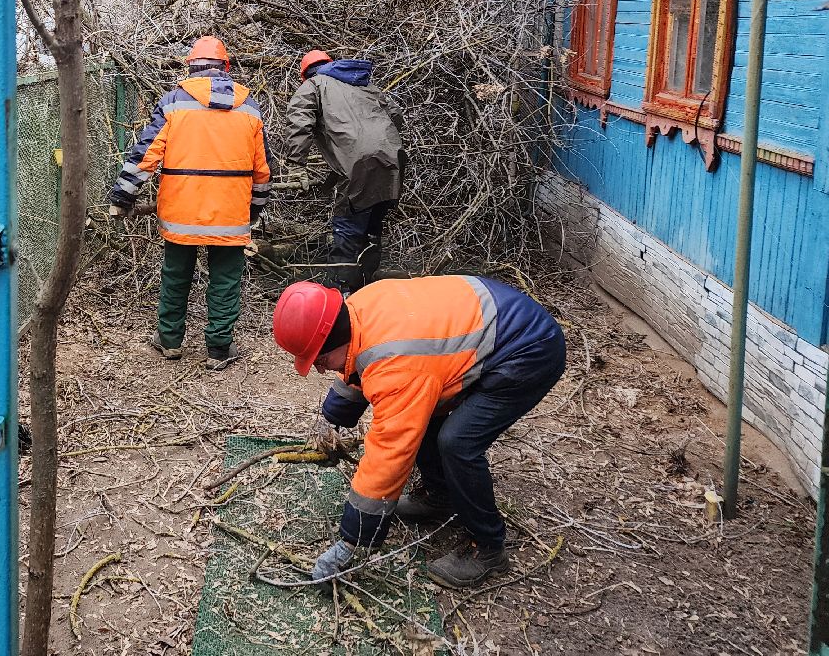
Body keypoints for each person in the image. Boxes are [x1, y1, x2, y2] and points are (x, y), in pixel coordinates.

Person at [271, 275, 565, 589]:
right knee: (426, 414)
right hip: (493, 325)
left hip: (529, 348)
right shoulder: (354, 311)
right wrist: (331, 419)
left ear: (334, 335)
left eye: (320, 358)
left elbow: (390, 454)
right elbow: (357, 363)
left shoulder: (397, 363)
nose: (318, 368)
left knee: (457, 442)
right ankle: (440, 496)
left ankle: (489, 548)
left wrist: (352, 542)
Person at [109, 36, 273, 371]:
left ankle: (169, 342)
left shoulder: (173, 103)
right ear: (226, 68)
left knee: (175, 275)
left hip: (181, 211)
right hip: (230, 213)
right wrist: (254, 208)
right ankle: (218, 350)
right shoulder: (250, 109)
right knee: (225, 281)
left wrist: (123, 195)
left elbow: (145, 154)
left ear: (191, 68)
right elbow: (262, 170)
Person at [283, 50, 405, 293]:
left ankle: (343, 294)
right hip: (392, 161)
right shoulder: (366, 86)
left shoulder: (313, 86)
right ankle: (369, 290)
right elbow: (396, 116)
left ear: (304, 74)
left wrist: (296, 165)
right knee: (371, 229)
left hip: (357, 167)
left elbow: (299, 123)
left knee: (347, 228)